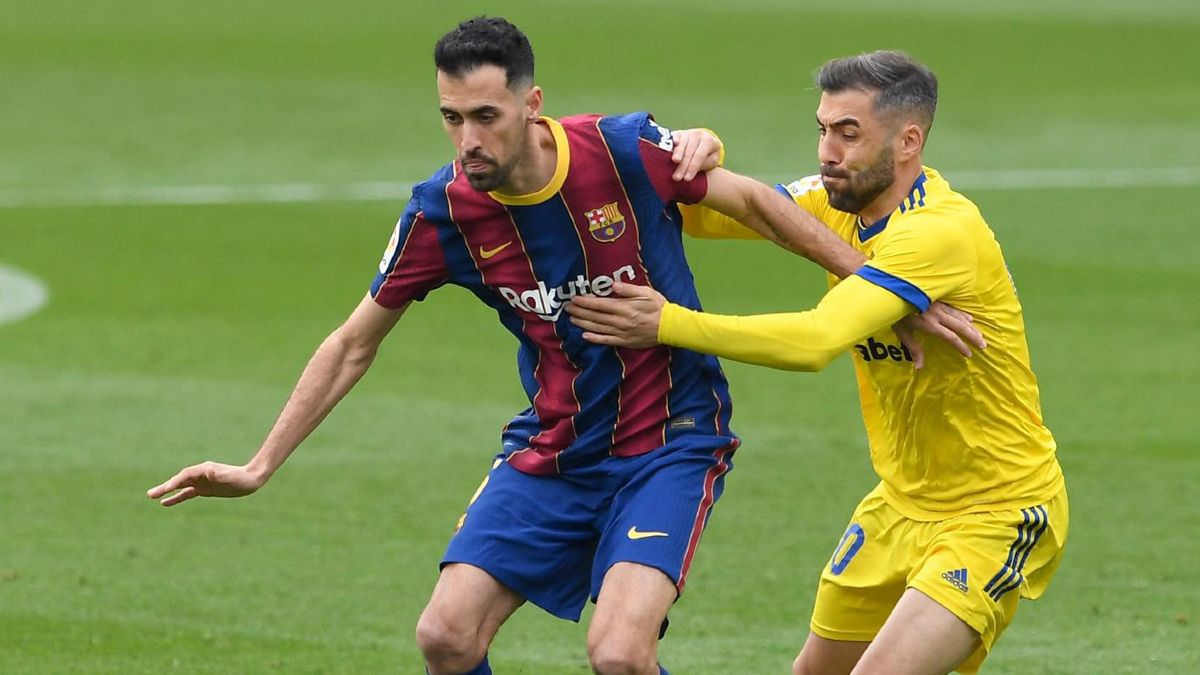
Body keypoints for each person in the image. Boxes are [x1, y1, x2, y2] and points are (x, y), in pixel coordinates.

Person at [146, 19, 977, 673]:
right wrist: (261, 463)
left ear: (530, 103)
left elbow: (756, 202)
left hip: (670, 444)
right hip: (553, 449)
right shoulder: (441, 213)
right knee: (444, 635)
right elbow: (353, 342)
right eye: (451, 118)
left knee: (618, 652)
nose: (467, 139)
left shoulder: (619, 151)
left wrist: (875, 287)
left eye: (485, 116)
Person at [566, 50, 1068, 675]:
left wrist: (665, 323)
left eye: (849, 133)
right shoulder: (836, 200)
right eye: (824, 129)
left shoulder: (940, 233)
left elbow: (815, 341)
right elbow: (701, 212)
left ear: (909, 140)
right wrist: (690, 149)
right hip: (897, 505)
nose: (828, 150)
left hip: (996, 510)